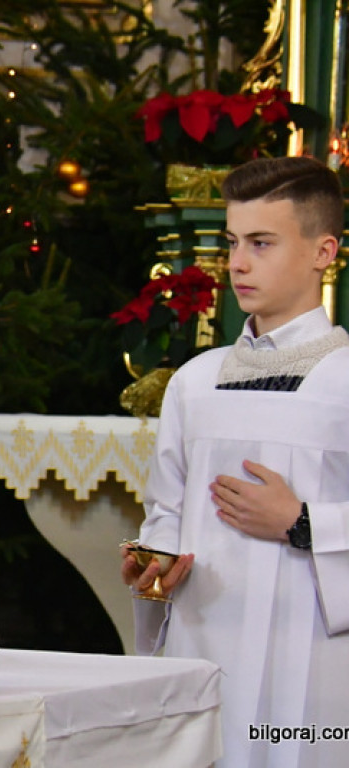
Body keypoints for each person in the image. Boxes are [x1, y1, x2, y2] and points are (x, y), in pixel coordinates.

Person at [121, 155, 349, 767]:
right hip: (205, 645)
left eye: (261, 243)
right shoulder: (194, 382)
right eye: (232, 242)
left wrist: (302, 523)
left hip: (314, 655)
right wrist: (154, 562)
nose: (238, 263)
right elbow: (166, 510)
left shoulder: (345, 381)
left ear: (323, 252)